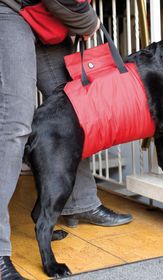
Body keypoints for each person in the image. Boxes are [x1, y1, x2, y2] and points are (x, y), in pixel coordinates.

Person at [0, 1, 132, 279]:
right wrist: (86, 20)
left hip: (44, 14)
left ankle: (81, 203)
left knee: (76, 106)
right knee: (15, 123)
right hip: (9, 9)